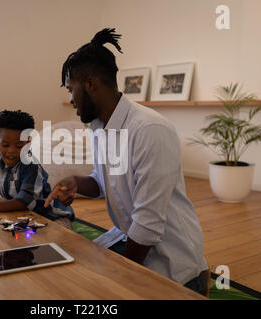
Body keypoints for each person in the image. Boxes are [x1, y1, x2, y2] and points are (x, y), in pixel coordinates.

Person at [45, 28, 209, 293]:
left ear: (90, 85)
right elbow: (103, 181)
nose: (70, 99)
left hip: (173, 264)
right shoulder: (99, 126)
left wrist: (115, 281)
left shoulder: (150, 130)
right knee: (66, 275)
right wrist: (77, 182)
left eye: (70, 90)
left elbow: (147, 224)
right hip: (132, 239)